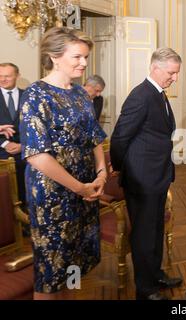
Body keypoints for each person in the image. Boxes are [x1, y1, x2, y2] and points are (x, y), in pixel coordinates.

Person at [19, 27, 107, 300]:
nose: (84, 63)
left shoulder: (81, 93)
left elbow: (95, 138)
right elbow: (36, 154)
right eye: (77, 57)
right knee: (51, 270)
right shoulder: (36, 94)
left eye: (85, 57)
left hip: (85, 192)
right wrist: (78, 187)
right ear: (54, 57)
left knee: (74, 262)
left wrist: (102, 171)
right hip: (53, 194)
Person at [110, 47, 182, 300]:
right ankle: (146, 288)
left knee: (154, 230)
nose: (175, 78)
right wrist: (120, 167)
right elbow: (120, 137)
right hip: (141, 179)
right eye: (171, 73)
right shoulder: (140, 95)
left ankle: (155, 275)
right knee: (143, 234)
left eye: (176, 73)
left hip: (157, 176)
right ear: (155, 68)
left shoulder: (159, 94)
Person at [0, 62, 26, 206]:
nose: (3, 79)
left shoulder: (27, 96)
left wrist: (23, 145)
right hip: (1, 156)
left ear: (17, 76)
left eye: (7, 76)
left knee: (24, 195)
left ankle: (24, 226)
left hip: (25, 154)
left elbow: (37, 126)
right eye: (0, 76)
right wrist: (5, 143)